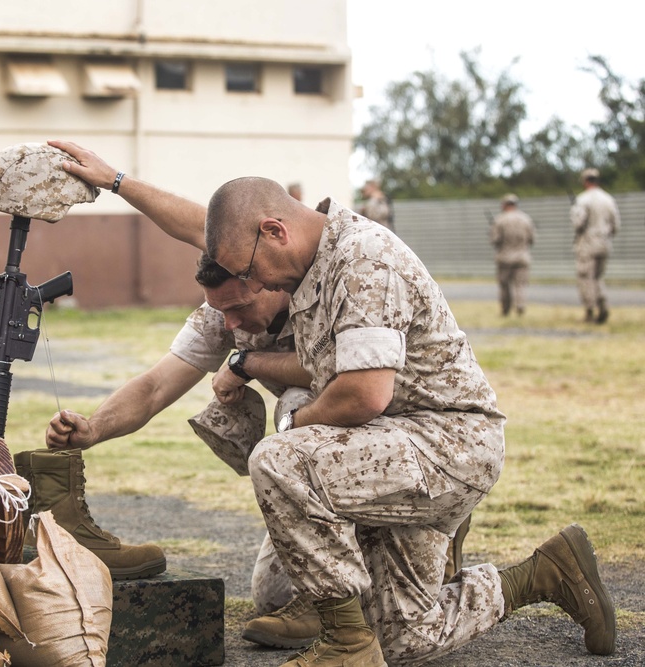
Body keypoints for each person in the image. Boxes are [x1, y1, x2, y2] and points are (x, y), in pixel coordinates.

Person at [45, 140, 475, 650]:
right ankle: (396, 577)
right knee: (275, 595)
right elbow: (158, 382)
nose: (231, 320)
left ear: (274, 268)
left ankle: (420, 545)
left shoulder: (331, 274)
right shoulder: (233, 295)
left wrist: (246, 365)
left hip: (407, 437)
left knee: (293, 409)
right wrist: (94, 428)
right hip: (339, 452)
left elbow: (346, 381)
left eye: (248, 284)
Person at [204, 178, 615, 666]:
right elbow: (327, 373)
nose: (257, 285)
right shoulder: (308, 269)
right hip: (390, 450)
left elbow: (363, 393)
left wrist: (296, 423)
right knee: (403, 639)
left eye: (249, 271)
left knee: (279, 458)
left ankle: (345, 646)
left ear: (274, 231)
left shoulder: (362, 259)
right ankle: (543, 573)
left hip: (448, 445)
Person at [571, 168, 621, 323]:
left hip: (587, 245)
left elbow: (578, 224)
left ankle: (590, 311)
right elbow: (616, 225)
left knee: (586, 278)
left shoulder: (583, 199)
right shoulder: (608, 199)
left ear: (585, 181)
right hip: (604, 244)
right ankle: (603, 305)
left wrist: (573, 213)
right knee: (598, 277)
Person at [490, 193, 536, 316]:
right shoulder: (526, 219)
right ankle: (520, 306)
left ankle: (505, 309)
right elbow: (532, 239)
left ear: (504, 205)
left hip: (505, 258)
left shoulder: (499, 220)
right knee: (521, 284)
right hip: (522, 257)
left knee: (504, 286)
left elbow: (495, 240)